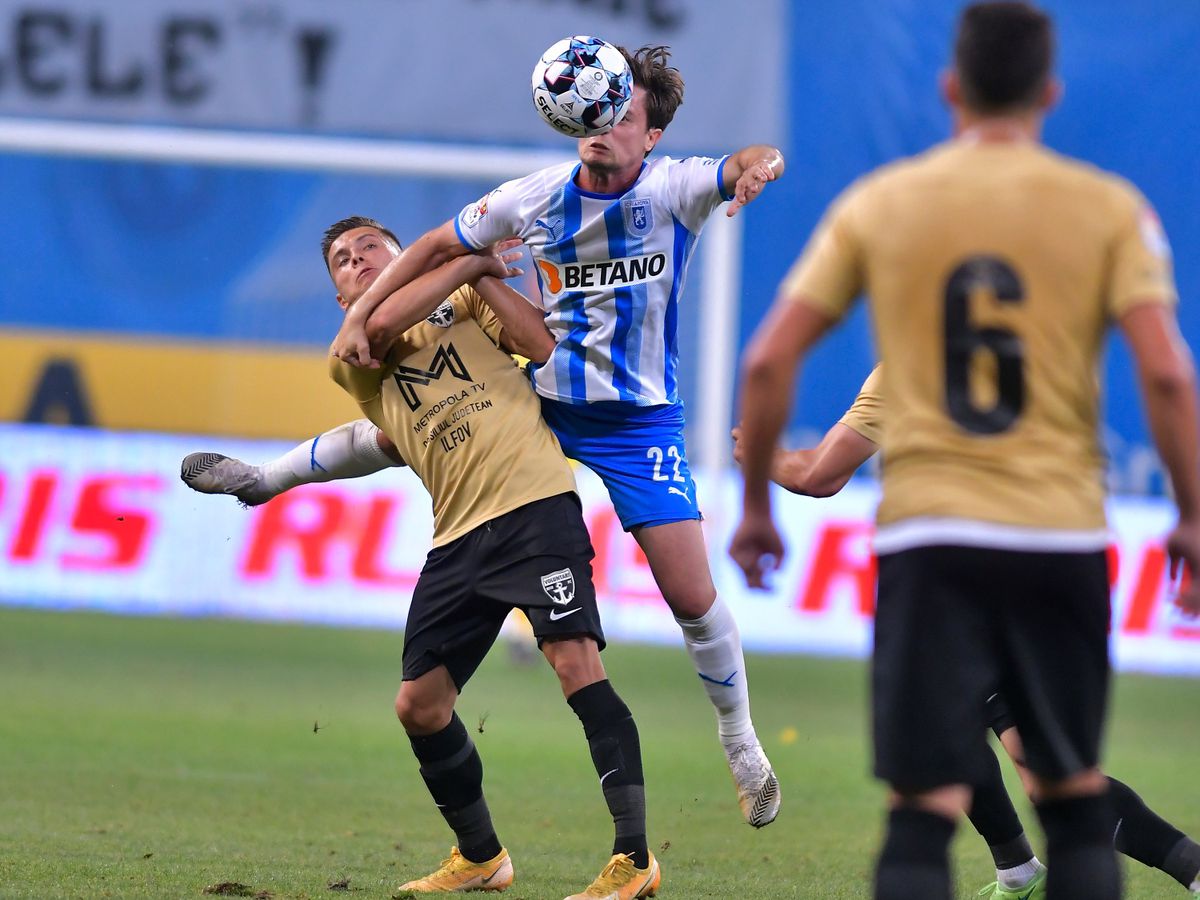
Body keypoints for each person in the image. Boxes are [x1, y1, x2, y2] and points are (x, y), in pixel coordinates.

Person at [730, 2, 1200, 898]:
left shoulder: (884, 204)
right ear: (1049, 94)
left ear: (950, 87)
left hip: (933, 545)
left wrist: (756, 502)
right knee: (1069, 795)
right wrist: (1192, 517)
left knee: (921, 808)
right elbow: (1170, 378)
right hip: (1059, 540)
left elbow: (768, 358)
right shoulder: (1109, 210)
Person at [325, 44, 786, 828]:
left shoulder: (676, 190)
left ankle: (739, 738)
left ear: (652, 135)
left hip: (637, 421)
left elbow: (750, 153)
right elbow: (440, 245)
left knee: (691, 595)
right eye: (596, 111)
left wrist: (758, 167)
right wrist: (364, 315)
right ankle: (270, 480)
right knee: (434, 420)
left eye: (623, 115)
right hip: (540, 397)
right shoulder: (533, 198)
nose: (603, 125)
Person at [187, 216, 661, 899]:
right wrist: (471, 263)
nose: (356, 261)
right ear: (339, 297)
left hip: (534, 504)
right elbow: (373, 339)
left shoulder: (467, 299)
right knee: (420, 705)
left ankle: (634, 858)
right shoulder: (350, 350)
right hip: (458, 537)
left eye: (370, 247)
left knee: (575, 665)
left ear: (405, 252)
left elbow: (537, 343)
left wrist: (482, 279)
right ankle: (482, 858)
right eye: (343, 262)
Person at [733, 367, 1200, 899]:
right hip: (1055, 560)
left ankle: (1183, 866)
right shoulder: (1042, 340)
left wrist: (762, 453)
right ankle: (1019, 873)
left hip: (972, 577)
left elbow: (817, 475)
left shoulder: (908, 365)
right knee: (965, 724)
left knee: (1030, 768)